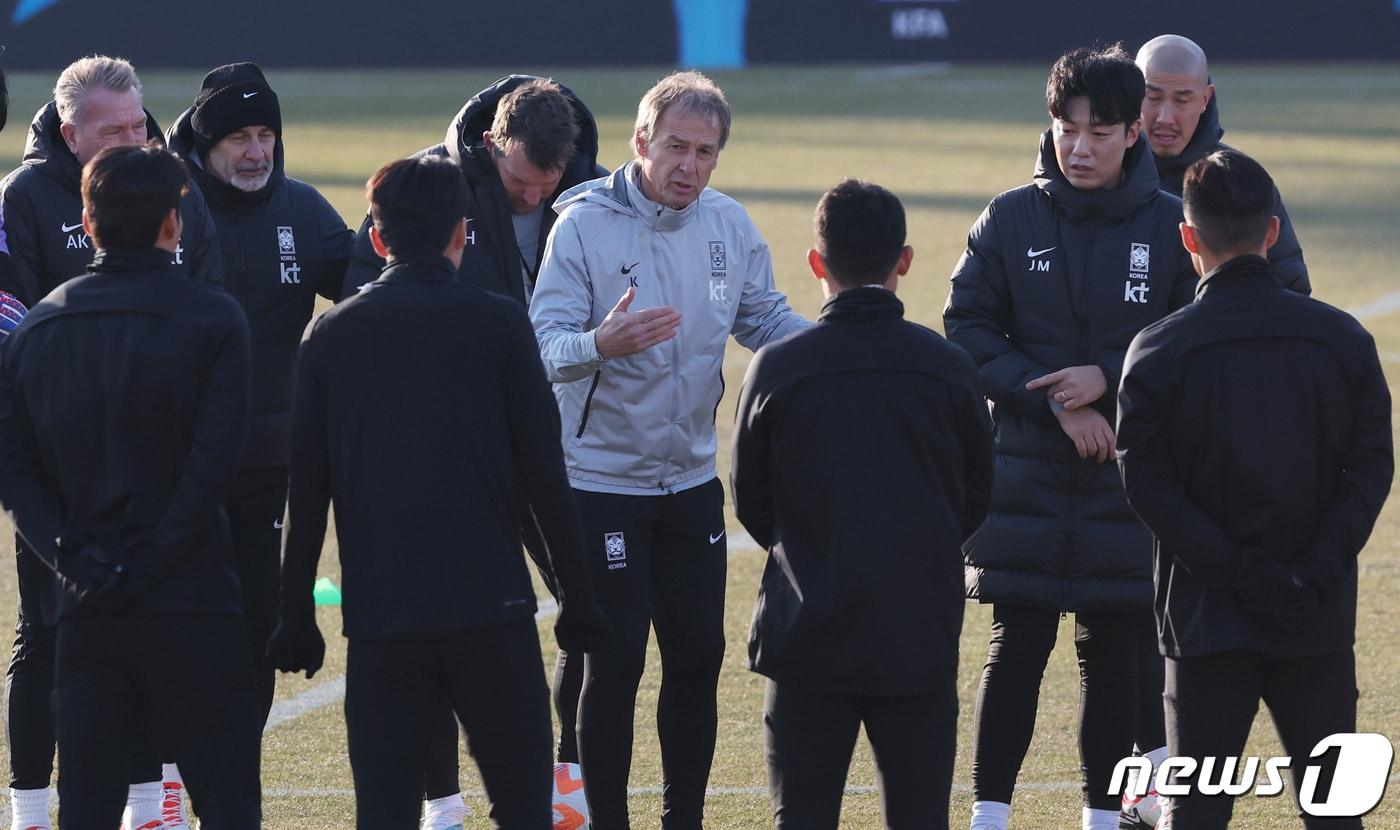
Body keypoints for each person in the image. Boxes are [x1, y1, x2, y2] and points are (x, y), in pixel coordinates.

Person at [267, 154, 609, 829]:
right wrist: (579, 597)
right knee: (520, 806)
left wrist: (295, 614)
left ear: (376, 239)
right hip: (493, 613)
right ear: (461, 233)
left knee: (387, 811)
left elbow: (307, 494)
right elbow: (546, 474)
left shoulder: (331, 336)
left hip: (383, 620)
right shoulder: (502, 324)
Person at [530, 69, 807, 829]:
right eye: (677, 147)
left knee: (699, 659)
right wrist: (599, 342)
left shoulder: (727, 226)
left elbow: (766, 321)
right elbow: (542, 343)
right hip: (600, 483)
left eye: (706, 152)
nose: (690, 166)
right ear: (641, 141)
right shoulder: (581, 225)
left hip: (688, 484)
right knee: (613, 661)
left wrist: (845, 342)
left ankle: (682, 818)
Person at [942, 45, 1197, 830]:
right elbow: (968, 329)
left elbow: (1193, 338)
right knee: (1014, 645)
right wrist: (1057, 400)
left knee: (1113, 657)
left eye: (1099, 129)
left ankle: (1100, 816)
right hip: (1024, 476)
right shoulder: (1010, 216)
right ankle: (989, 816)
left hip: (1126, 486)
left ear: (1133, 134)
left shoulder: (1168, 224)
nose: (1078, 146)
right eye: (1065, 127)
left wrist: (1109, 382)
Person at [1116, 149, 1393, 830]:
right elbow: (1372, 469)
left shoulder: (1157, 350)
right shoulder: (1342, 340)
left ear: (1188, 239)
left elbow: (1149, 487)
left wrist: (1236, 574)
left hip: (1205, 624)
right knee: (1336, 814)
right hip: (1316, 619)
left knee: (1198, 814)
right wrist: (1314, 572)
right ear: (1273, 232)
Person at [0, 143, 260, 830]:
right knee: (226, 799)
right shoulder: (214, 318)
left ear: (88, 224)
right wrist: (158, 555)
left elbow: (15, 471)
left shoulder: (40, 328)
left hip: (88, 604)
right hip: (194, 596)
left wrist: (75, 559)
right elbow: (214, 462)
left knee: (87, 803)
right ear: (175, 224)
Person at [732, 179, 993, 830]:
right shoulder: (949, 368)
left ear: (817, 262)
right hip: (916, 635)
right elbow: (976, 495)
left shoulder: (778, 368)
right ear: (903, 261)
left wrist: (808, 549)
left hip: (807, 634)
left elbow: (751, 500)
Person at [1136, 34, 1309, 294]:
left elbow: (1290, 289)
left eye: (1182, 100)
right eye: (1152, 97)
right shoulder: (1102, 175)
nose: (1165, 117)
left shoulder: (1238, 180)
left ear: (1205, 98)